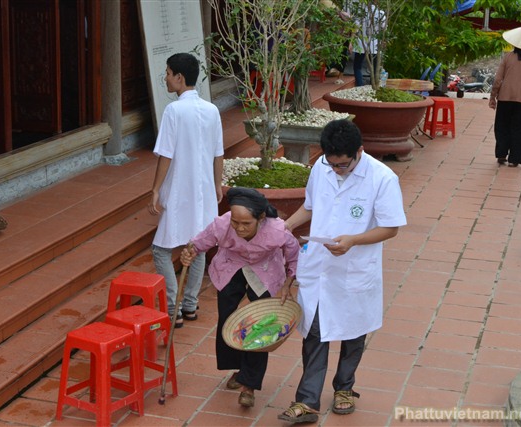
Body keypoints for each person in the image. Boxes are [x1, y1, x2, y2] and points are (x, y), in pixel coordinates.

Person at [277, 119, 406, 423]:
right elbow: (310, 206)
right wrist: (286, 225)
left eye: (343, 165)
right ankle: (307, 401)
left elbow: (390, 228)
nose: (336, 170)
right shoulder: (321, 168)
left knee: (353, 331)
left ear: (359, 151)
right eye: (331, 163)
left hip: (355, 268)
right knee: (314, 332)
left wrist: (353, 241)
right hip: (319, 266)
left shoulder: (382, 178)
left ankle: (344, 388)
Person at [180, 187, 299, 408]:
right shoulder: (223, 224)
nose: (240, 228)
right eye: (236, 222)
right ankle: (238, 369)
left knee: (259, 326)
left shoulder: (276, 230)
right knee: (228, 321)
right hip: (230, 267)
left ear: (260, 218)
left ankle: (249, 384)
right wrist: (189, 252)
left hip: (264, 270)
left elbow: (293, 253)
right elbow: (199, 243)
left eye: (246, 224)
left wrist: (289, 281)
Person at [149, 52, 224, 328]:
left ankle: (173, 306)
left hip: (180, 188)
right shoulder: (212, 110)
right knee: (198, 245)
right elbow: (218, 153)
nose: (166, 78)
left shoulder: (174, 110)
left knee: (160, 250)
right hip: (203, 188)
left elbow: (166, 154)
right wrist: (217, 183)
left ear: (179, 78)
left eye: (168, 73)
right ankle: (190, 304)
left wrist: (155, 189)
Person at [489, 25, 521, 168]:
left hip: (505, 97)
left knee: (502, 126)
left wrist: (493, 97)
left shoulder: (508, 57)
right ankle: (515, 159)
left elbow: (498, 79)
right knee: (520, 129)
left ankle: (501, 154)